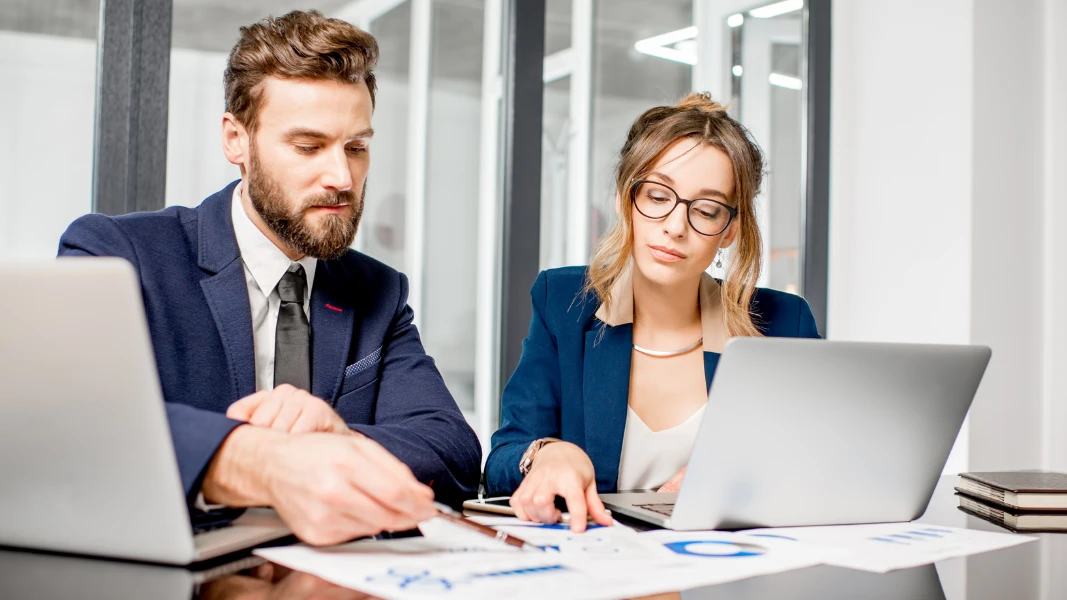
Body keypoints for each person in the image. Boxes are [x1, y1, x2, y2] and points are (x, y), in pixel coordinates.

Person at [58, 10, 480, 546]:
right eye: (308, 147)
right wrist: (261, 460)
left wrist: (341, 436)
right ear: (236, 139)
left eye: (357, 147)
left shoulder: (378, 290)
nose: (341, 178)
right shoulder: (119, 255)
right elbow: (74, 419)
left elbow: (454, 453)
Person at [485, 93, 821, 532]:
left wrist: (743, 481)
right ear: (629, 199)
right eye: (659, 196)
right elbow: (502, 460)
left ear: (729, 230)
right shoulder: (564, 300)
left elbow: (819, 461)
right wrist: (545, 454)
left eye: (705, 209)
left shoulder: (784, 322)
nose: (675, 226)